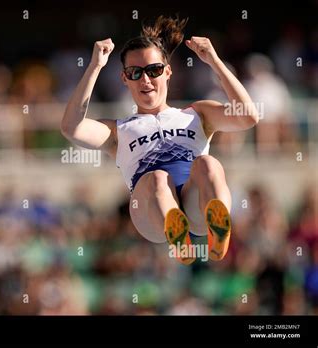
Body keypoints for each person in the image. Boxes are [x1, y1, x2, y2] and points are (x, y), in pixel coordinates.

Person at [60, 16, 259, 264]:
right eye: (135, 73)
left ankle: (218, 228)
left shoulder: (197, 113)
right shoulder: (118, 130)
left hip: (195, 201)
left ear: (167, 72)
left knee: (207, 163)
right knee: (156, 178)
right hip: (150, 211)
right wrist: (94, 67)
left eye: (153, 70)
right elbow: (71, 127)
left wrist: (215, 62)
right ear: (124, 78)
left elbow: (248, 116)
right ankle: (178, 236)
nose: (145, 80)